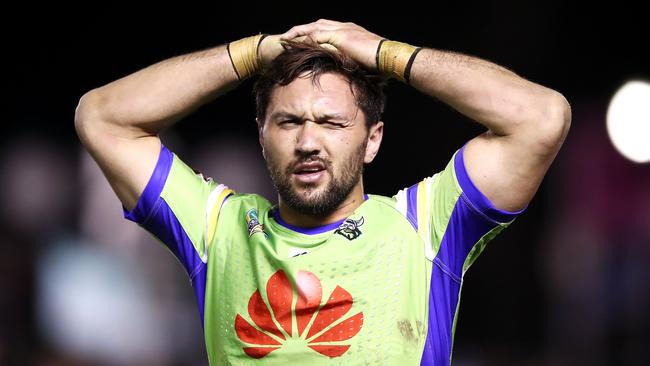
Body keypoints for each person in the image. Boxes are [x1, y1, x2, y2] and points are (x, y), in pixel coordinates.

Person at [75, 19, 570, 365]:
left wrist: (384, 53)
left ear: (372, 139)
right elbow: (101, 117)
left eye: (332, 122)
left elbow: (541, 117)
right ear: (261, 135)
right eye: (288, 121)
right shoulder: (218, 229)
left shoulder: (425, 225)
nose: (308, 142)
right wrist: (254, 52)